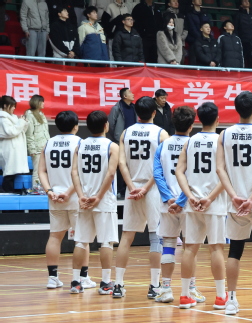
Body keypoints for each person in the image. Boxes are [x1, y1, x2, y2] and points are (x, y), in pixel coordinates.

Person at [216, 91, 252, 315]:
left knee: (235, 251)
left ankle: (231, 300)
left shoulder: (225, 135)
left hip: (235, 204)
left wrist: (233, 196)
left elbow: (220, 169)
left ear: (236, 109)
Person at [173, 102, 228, 310]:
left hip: (192, 203)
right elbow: (226, 175)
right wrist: (210, 198)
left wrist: (190, 196)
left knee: (190, 249)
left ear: (198, 120)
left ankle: (185, 295)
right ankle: (221, 297)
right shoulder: (221, 141)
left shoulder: (190, 141)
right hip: (214, 203)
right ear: (218, 119)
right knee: (216, 249)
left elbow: (179, 171)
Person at [115, 96, 169, 299]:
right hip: (152, 189)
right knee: (156, 237)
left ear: (136, 112)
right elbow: (162, 166)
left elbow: (122, 163)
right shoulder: (161, 133)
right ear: (154, 112)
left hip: (133, 189)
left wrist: (132, 187)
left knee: (126, 237)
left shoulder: (126, 132)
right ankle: (154, 286)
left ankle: (118, 284)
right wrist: (146, 188)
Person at [39, 111, 95, 290]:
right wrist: (70, 192)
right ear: (76, 126)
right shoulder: (80, 143)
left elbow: (41, 171)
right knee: (82, 238)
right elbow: (81, 172)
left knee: (55, 236)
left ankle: (52, 278)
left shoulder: (48, 143)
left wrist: (49, 191)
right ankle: (83, 277)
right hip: (75, 197)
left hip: (55, 197)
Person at [69, 110, 119, 295]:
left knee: (81, 242)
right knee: (106, 242)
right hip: (103, 200)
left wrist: (81, 195)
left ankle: (76, 282)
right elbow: (111, 174)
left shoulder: (80, 145)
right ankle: (105, 283)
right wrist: (98, 197)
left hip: (84, 200)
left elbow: (74, 172)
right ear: (106, 125)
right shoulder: (112, 146)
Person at [152, 106, 190, 305]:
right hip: (189, 203)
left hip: (168, 204)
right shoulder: (194, 144)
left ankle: (166, 289)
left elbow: (157, 174)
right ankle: (190, 289)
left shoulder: (163, 145)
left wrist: (168, 199)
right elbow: (192, 175)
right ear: (191, 125)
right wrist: (181, 200)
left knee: (168, 245)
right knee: (190, 247)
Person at [0, 96, 29, 194]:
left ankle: (13, 190)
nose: (14, 108)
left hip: (16, 148)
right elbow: (11, 132)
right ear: (5, 106)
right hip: (9, 148)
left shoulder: (12, 117)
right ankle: (7, 190)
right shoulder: (2, 118)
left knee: (14, 171)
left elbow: (20, 131)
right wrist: (21, 122)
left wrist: (24, 123)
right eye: (12, 106)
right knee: (9, 172)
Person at [25, 95, 50, 190]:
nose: (43, 103)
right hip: (37, 148)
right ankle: (36, 189)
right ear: (37, 102)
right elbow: (29, 134)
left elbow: (45, 132)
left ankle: (43, 189)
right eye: (42, 101)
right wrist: (32, 149)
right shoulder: (30, 114)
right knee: (37, 171)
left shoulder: (41, 114)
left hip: (45, 146)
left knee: (44, 170)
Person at [234, 0, 252, 67]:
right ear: (241, 5)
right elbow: (236, 28)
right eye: (244, 1)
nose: (247, 2)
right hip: (243, 40)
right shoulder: (238, 15)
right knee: (244, 58)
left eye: (248, 1)